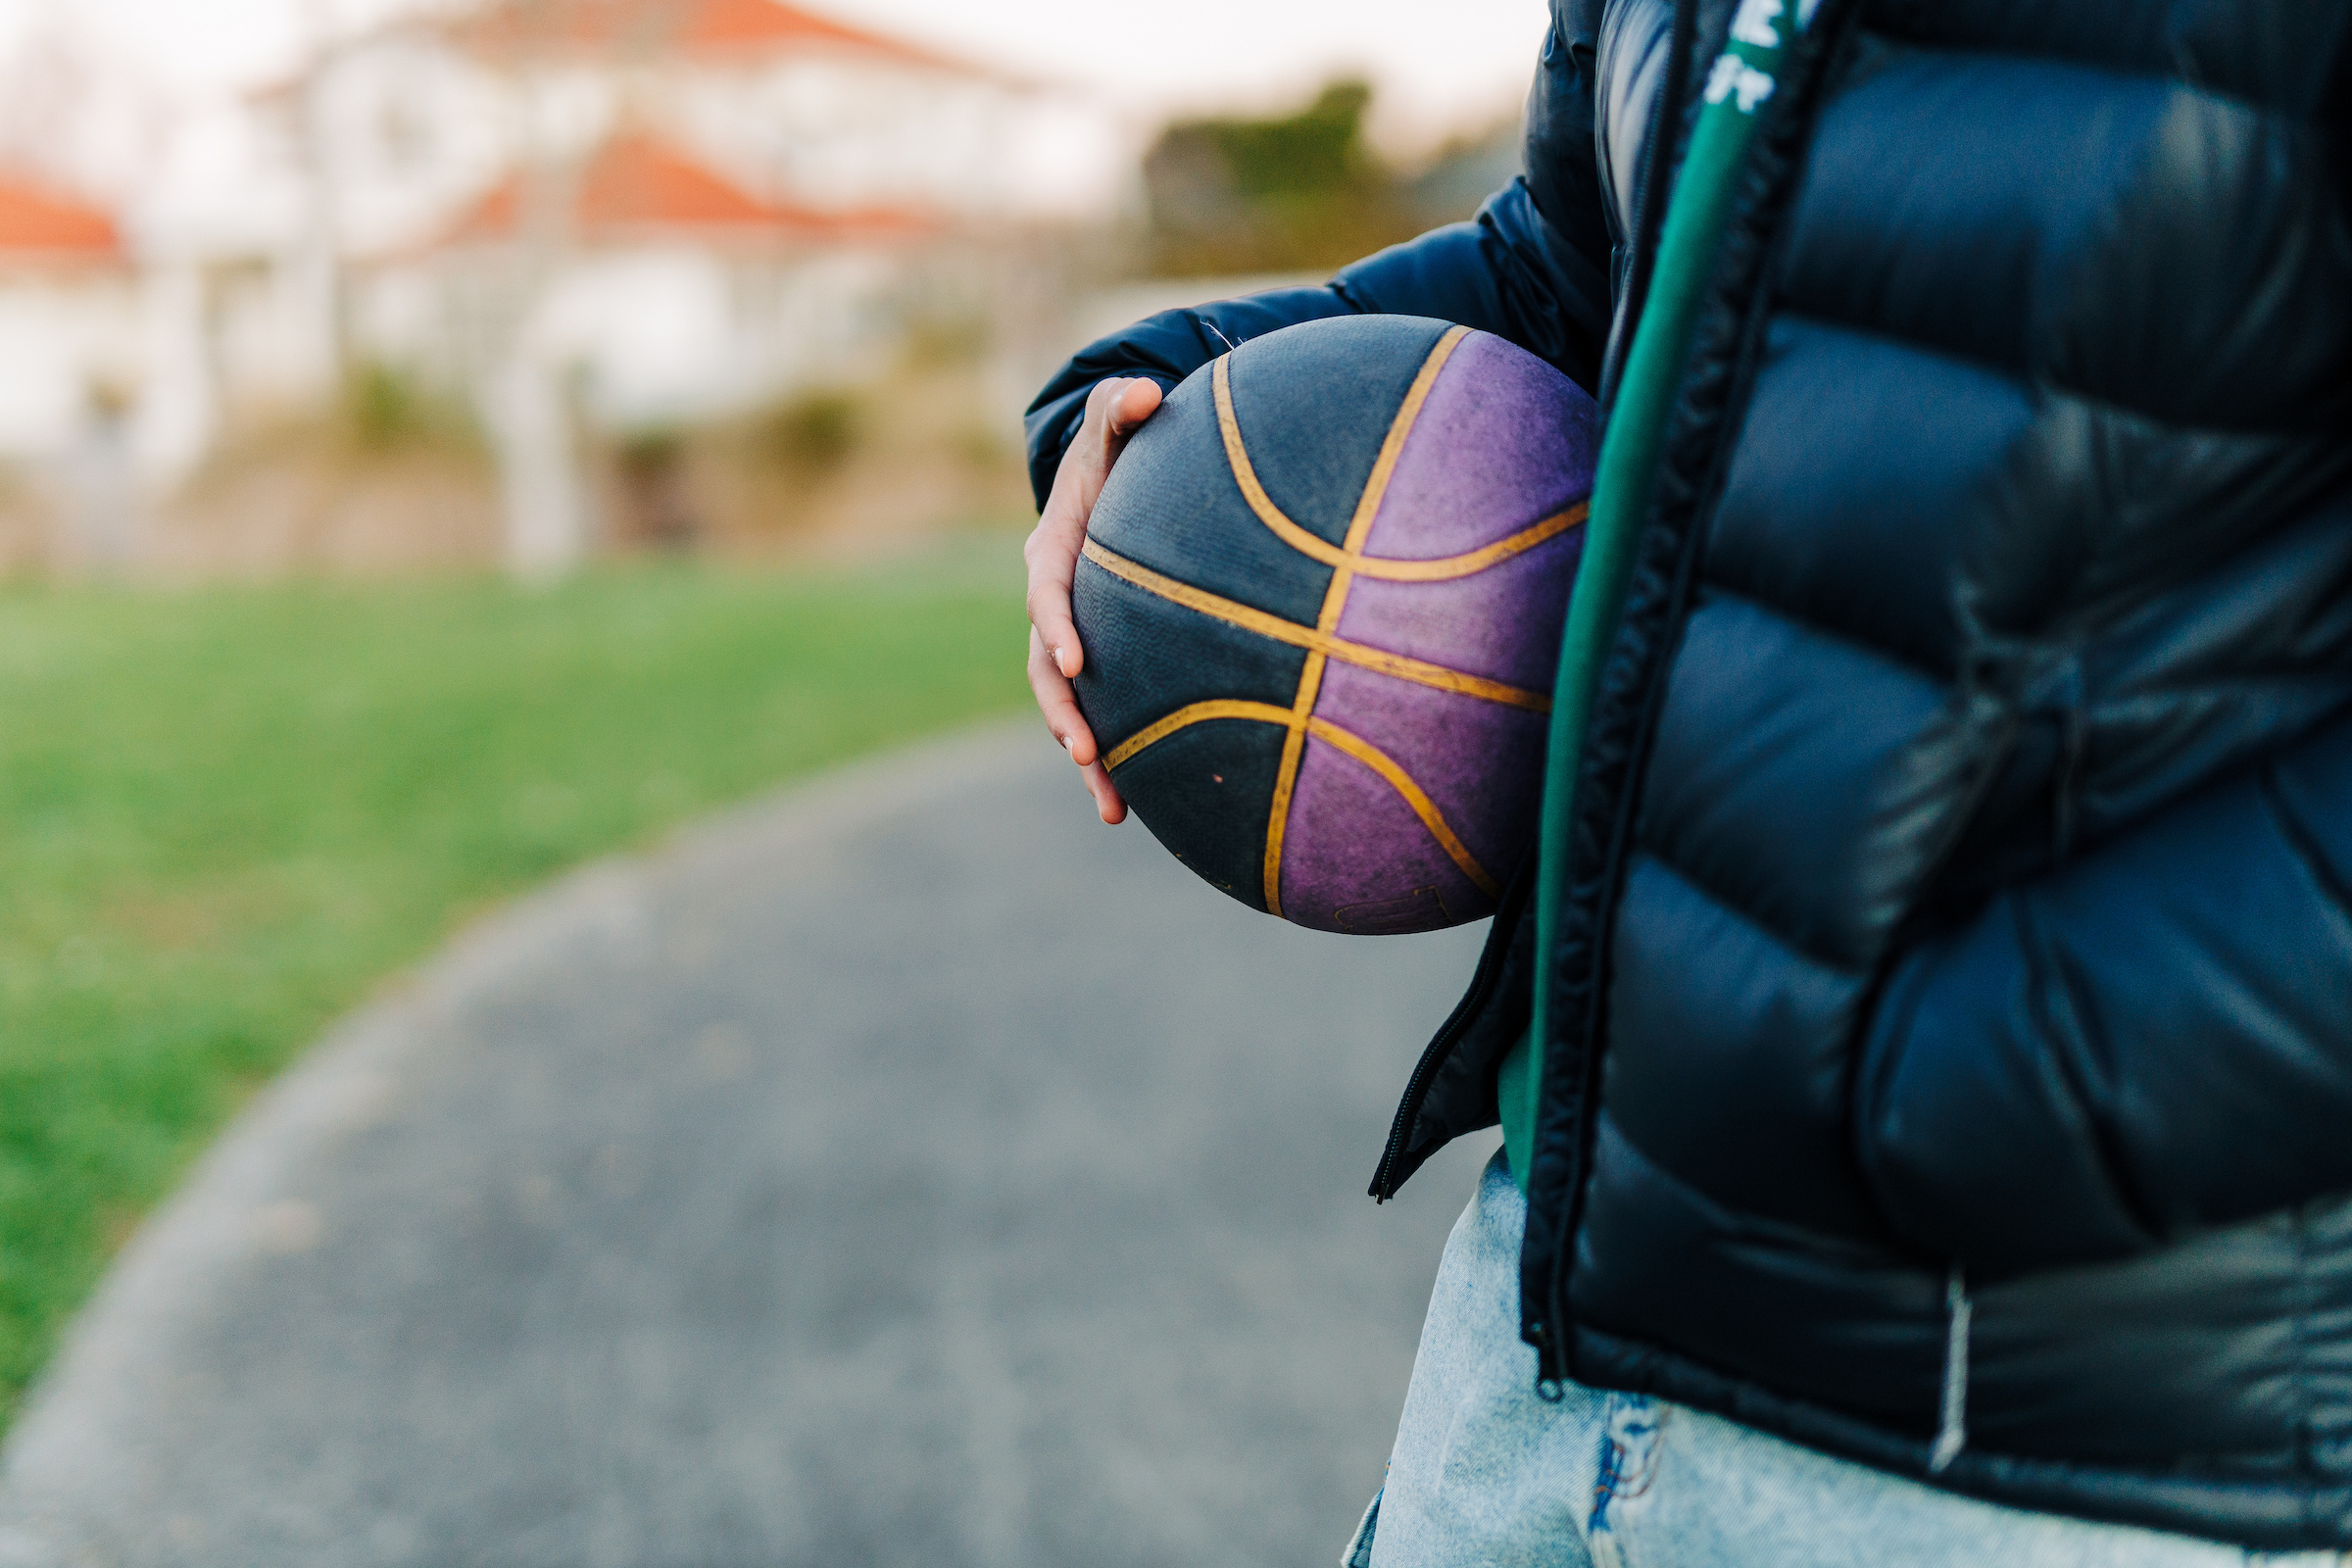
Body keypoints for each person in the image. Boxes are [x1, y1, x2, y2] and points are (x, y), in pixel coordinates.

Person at [1023, 0, 2352, 1562]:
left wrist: (1997, 1079)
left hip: (2046, 1433)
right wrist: (1163, 429)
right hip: (1547, 1342)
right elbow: (1589, 280)